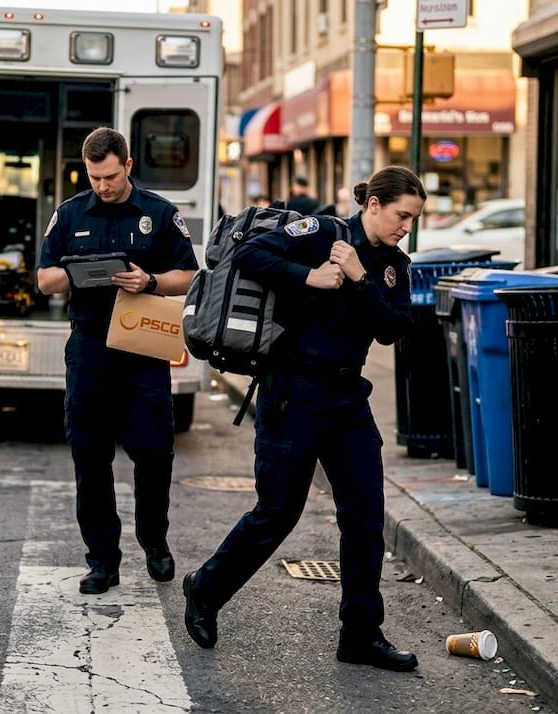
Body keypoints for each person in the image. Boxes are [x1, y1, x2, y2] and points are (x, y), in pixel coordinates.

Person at [181, 165, 427, 672]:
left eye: (414, 218)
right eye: (402, 214)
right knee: (278, 512)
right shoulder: (322, 232)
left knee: (364, 517)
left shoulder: (393, 267)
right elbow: (248, 253)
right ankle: (205, 589)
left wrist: (359, 279)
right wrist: (309, 275)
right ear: (374, 204)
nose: (407, 225)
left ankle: (360, 634)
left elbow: (393, 328)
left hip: (348, 399)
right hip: (293, 393)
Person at [36, 127, 199, 594]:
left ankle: (154, 539)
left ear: (127, 166)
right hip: (90, 350)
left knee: (152, 452)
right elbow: (45, 279)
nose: (102, 186)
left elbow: (188, 276)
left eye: (109, 176)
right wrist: (80, 274)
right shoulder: (69, 214)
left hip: (143, 348)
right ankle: (102, 561)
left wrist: (149, 281)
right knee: (90, 457)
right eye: (93, 177)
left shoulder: (159, 214)